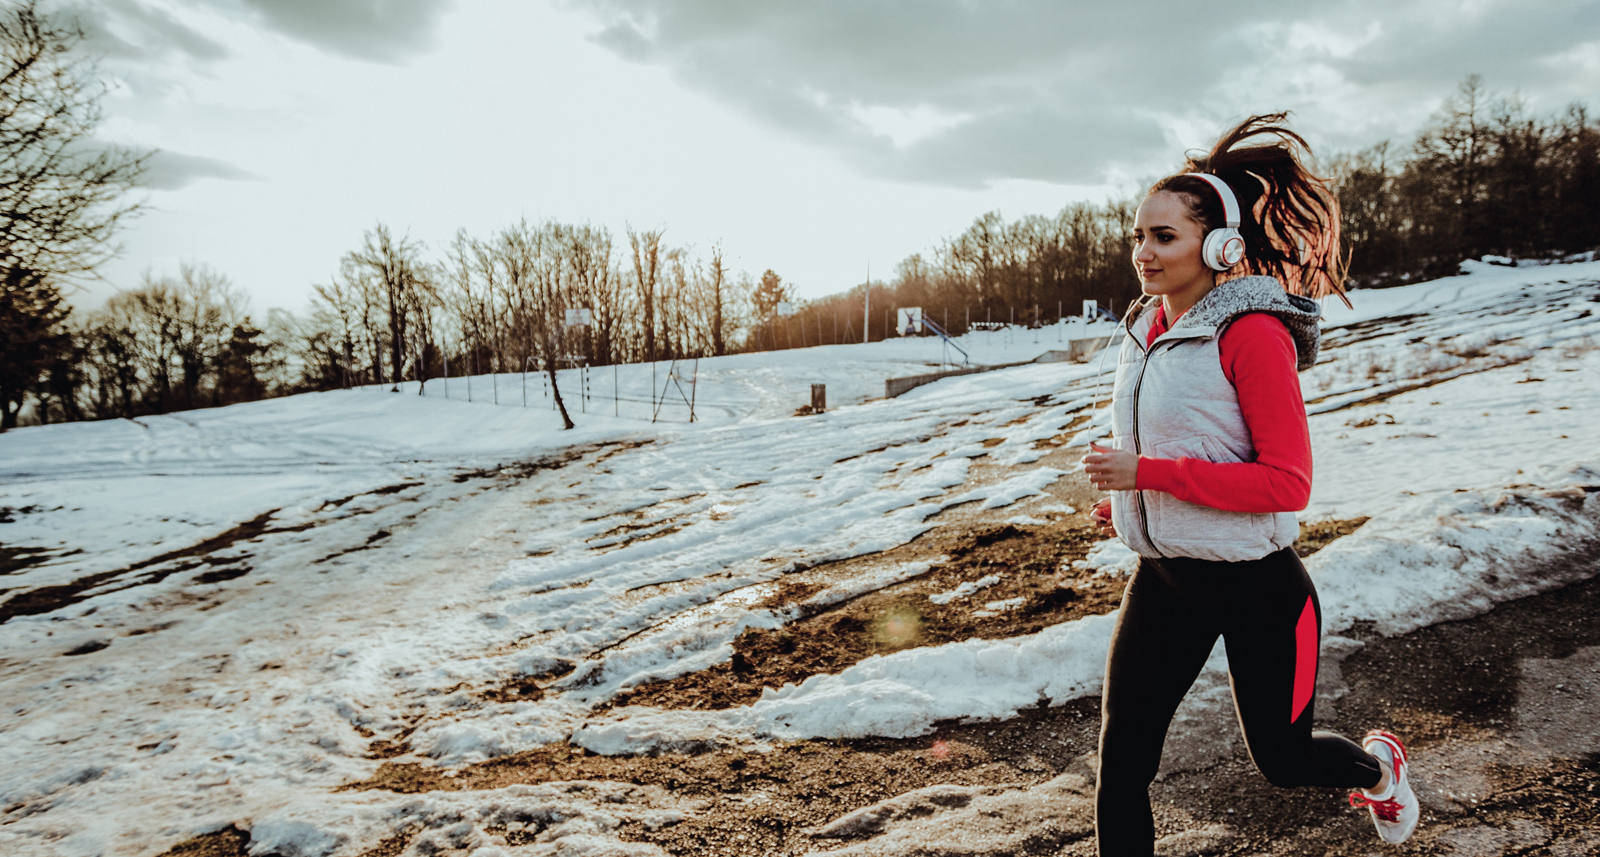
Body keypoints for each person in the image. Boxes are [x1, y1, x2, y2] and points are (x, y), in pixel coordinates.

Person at [1079, 113, 1419, 854]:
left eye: (1163, 236)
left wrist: (1149, 474)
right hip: (1164, 580)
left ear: (1220, 245)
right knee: (1121, 766)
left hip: (1259, 585)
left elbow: (1285, 481)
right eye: (1138, 234)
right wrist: (1129, 499)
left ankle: (1378, 768)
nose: (1143, 251)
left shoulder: (1252, 334)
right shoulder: (1144, 330)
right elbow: (1179, 440)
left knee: (1283, 759)